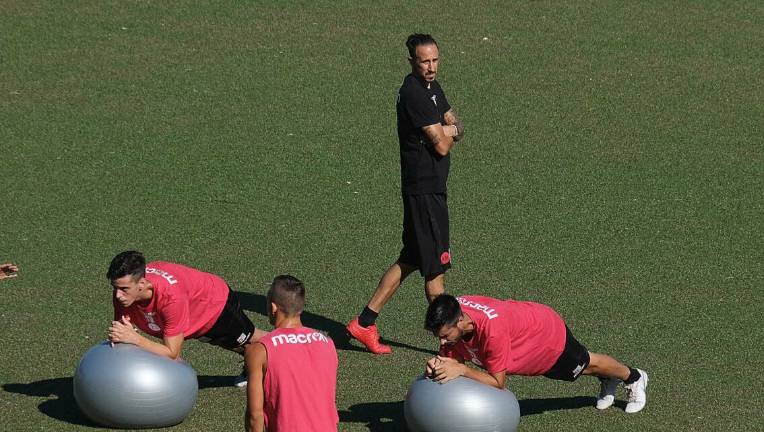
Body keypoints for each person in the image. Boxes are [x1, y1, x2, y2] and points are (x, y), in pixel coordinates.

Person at [347, 33, 465, 354]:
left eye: (435, 60)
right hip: (424, 193)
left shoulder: (432, 89)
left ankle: (364, 322)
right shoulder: (414, 94)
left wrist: (448, 128)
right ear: (411, 61)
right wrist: (449, 131)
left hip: (431, 190)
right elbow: (442, 144)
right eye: (424, 61)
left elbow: (453, 121)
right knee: (435, 272)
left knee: (411, 258)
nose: (431, 67)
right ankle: (449, 346)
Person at [424, 294, 649, 413]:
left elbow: (498, 382)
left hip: (547, 336)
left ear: (460, 321)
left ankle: (633, 377)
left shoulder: (493, 332)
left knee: (585, 364)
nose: (443, 341)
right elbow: (453, 354)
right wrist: (440, 364)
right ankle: (609, 379)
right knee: (584, 369)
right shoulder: (454, 309)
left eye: (445, 335)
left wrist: (461, 368)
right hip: (524, 330)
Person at [106, 250, 265, 387]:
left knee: (247, 339)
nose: (118, 295)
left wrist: (136, 339)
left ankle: (286, 342)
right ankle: (254, 362)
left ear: (141, 283)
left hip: (214, 305)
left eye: (124, 289)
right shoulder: (123, 294)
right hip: (191, 313)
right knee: (221, 341)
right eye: (115, 288)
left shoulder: (171, 298)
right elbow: (122, 333)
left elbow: (172, 353)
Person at [244, 275, 338, 432]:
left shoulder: (260, 350)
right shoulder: (327, 344)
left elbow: (255, 416)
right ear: (300, 308)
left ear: (273, 307)